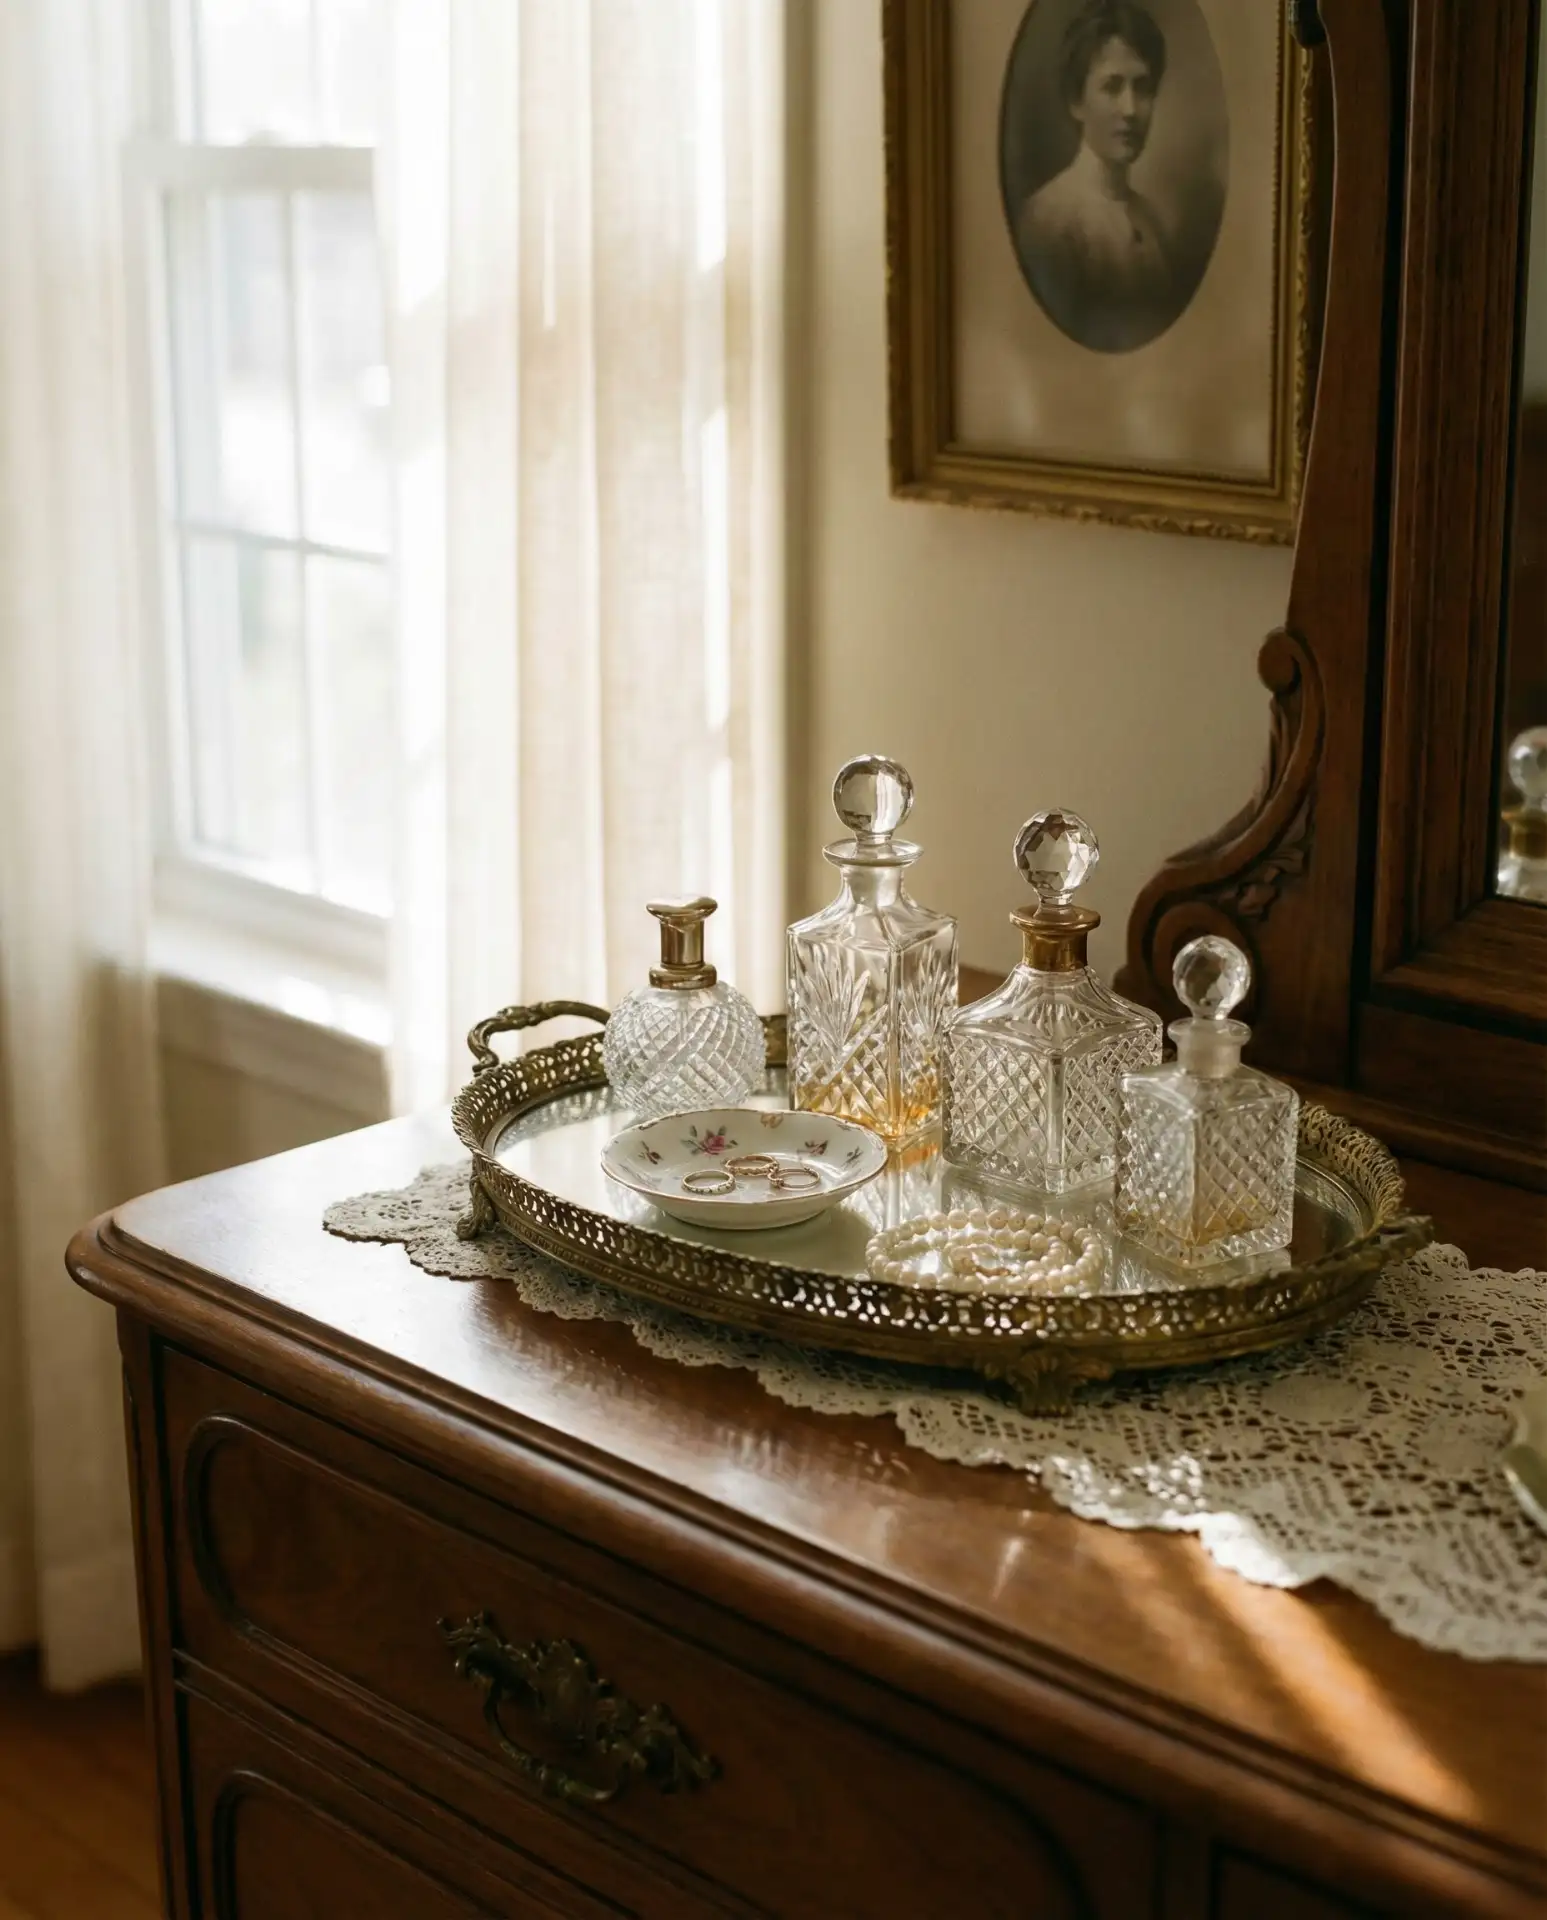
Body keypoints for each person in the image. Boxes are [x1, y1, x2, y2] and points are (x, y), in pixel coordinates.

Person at [1014, 0, 1176, 353]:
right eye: (1112, 87)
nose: (1130, 109)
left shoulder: (1152, 223)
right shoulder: (1049, 222)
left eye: (1143, 87)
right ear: (1076, 100)